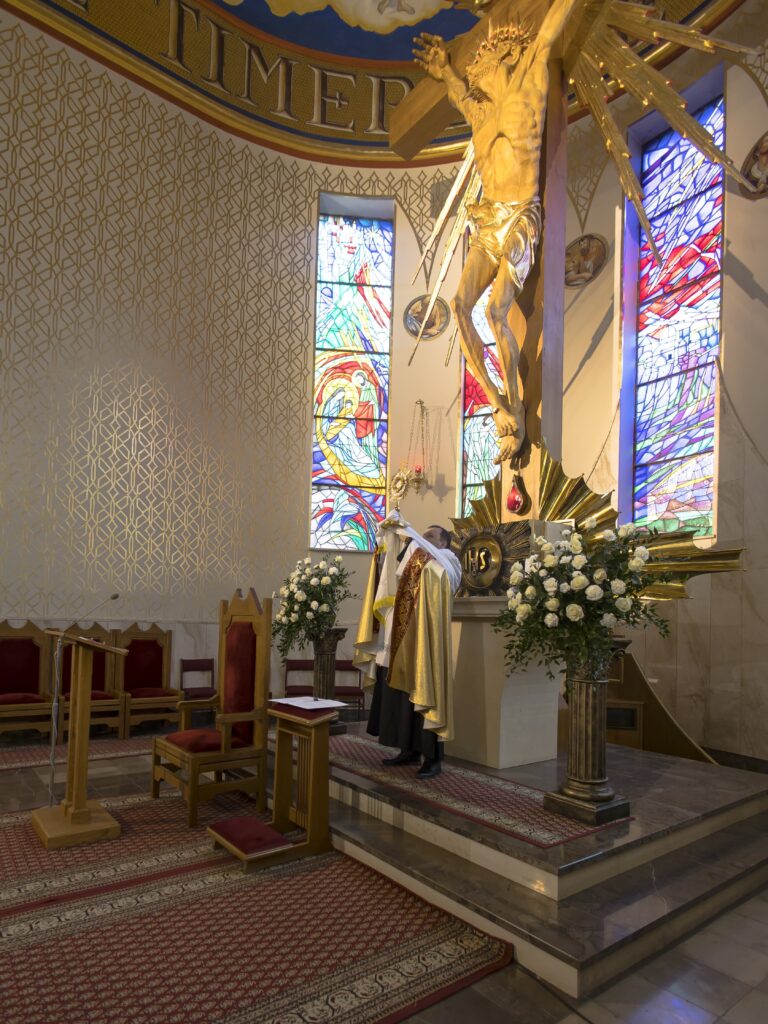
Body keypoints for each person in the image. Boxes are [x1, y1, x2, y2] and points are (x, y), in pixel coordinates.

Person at [413, 0, 585, 462]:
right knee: (459, 306)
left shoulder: (529, 81)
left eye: (482, 68)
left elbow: (548, 32)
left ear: (505, 59)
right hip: (488, 221)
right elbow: (456, 91)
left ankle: (517, 406)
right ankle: (497, 403)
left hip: (521, 216)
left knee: (496, 311)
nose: (476, 76)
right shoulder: (480, 113)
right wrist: (445, 70)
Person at [354, 513, 462, 778]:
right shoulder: (416, 560)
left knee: (428, 694)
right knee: (402, 697)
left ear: (444, 543)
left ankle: (433, 758)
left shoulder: (447, 562)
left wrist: (411, 537)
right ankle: (408, 750)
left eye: (429, 537)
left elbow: (439, 580)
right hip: (402, 639)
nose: (421, 540)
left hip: (427, 644)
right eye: (420, 536)